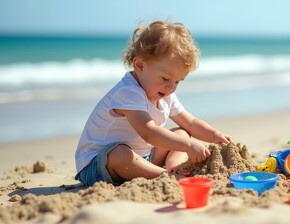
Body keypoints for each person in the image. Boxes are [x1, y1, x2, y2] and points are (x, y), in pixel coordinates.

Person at [74, 20, 232, 186]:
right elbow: (149, 133)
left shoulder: (165, 94)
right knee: (121, 154)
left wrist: (215, 136)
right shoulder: (128, 92)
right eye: (166, 78)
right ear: (140, 65)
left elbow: (191, 123)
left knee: (182, 132)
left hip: (143, 157)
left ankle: (175, 167)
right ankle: (165, 175)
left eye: (178, 82)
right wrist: (189, 146)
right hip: (98, 165)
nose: (171, 87)